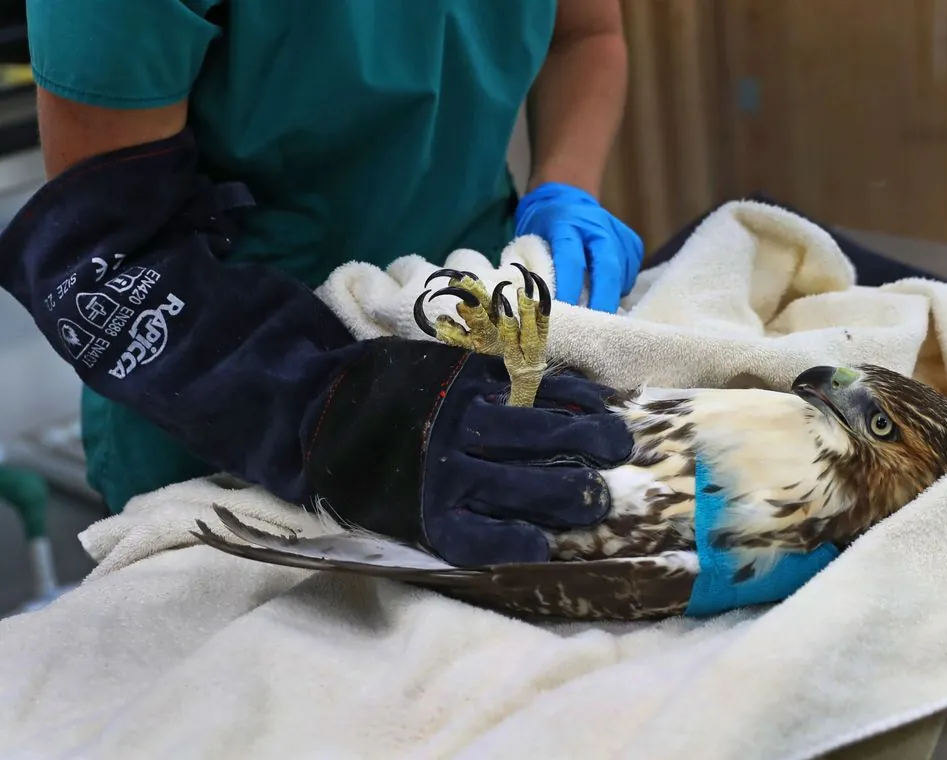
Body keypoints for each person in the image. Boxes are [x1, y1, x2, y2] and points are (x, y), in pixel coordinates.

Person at [0, 1, 643, 567]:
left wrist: (566, 188)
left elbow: (583, 35)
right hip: (235, 392)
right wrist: (337, 416)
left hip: (472, 323)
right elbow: (106, 245)